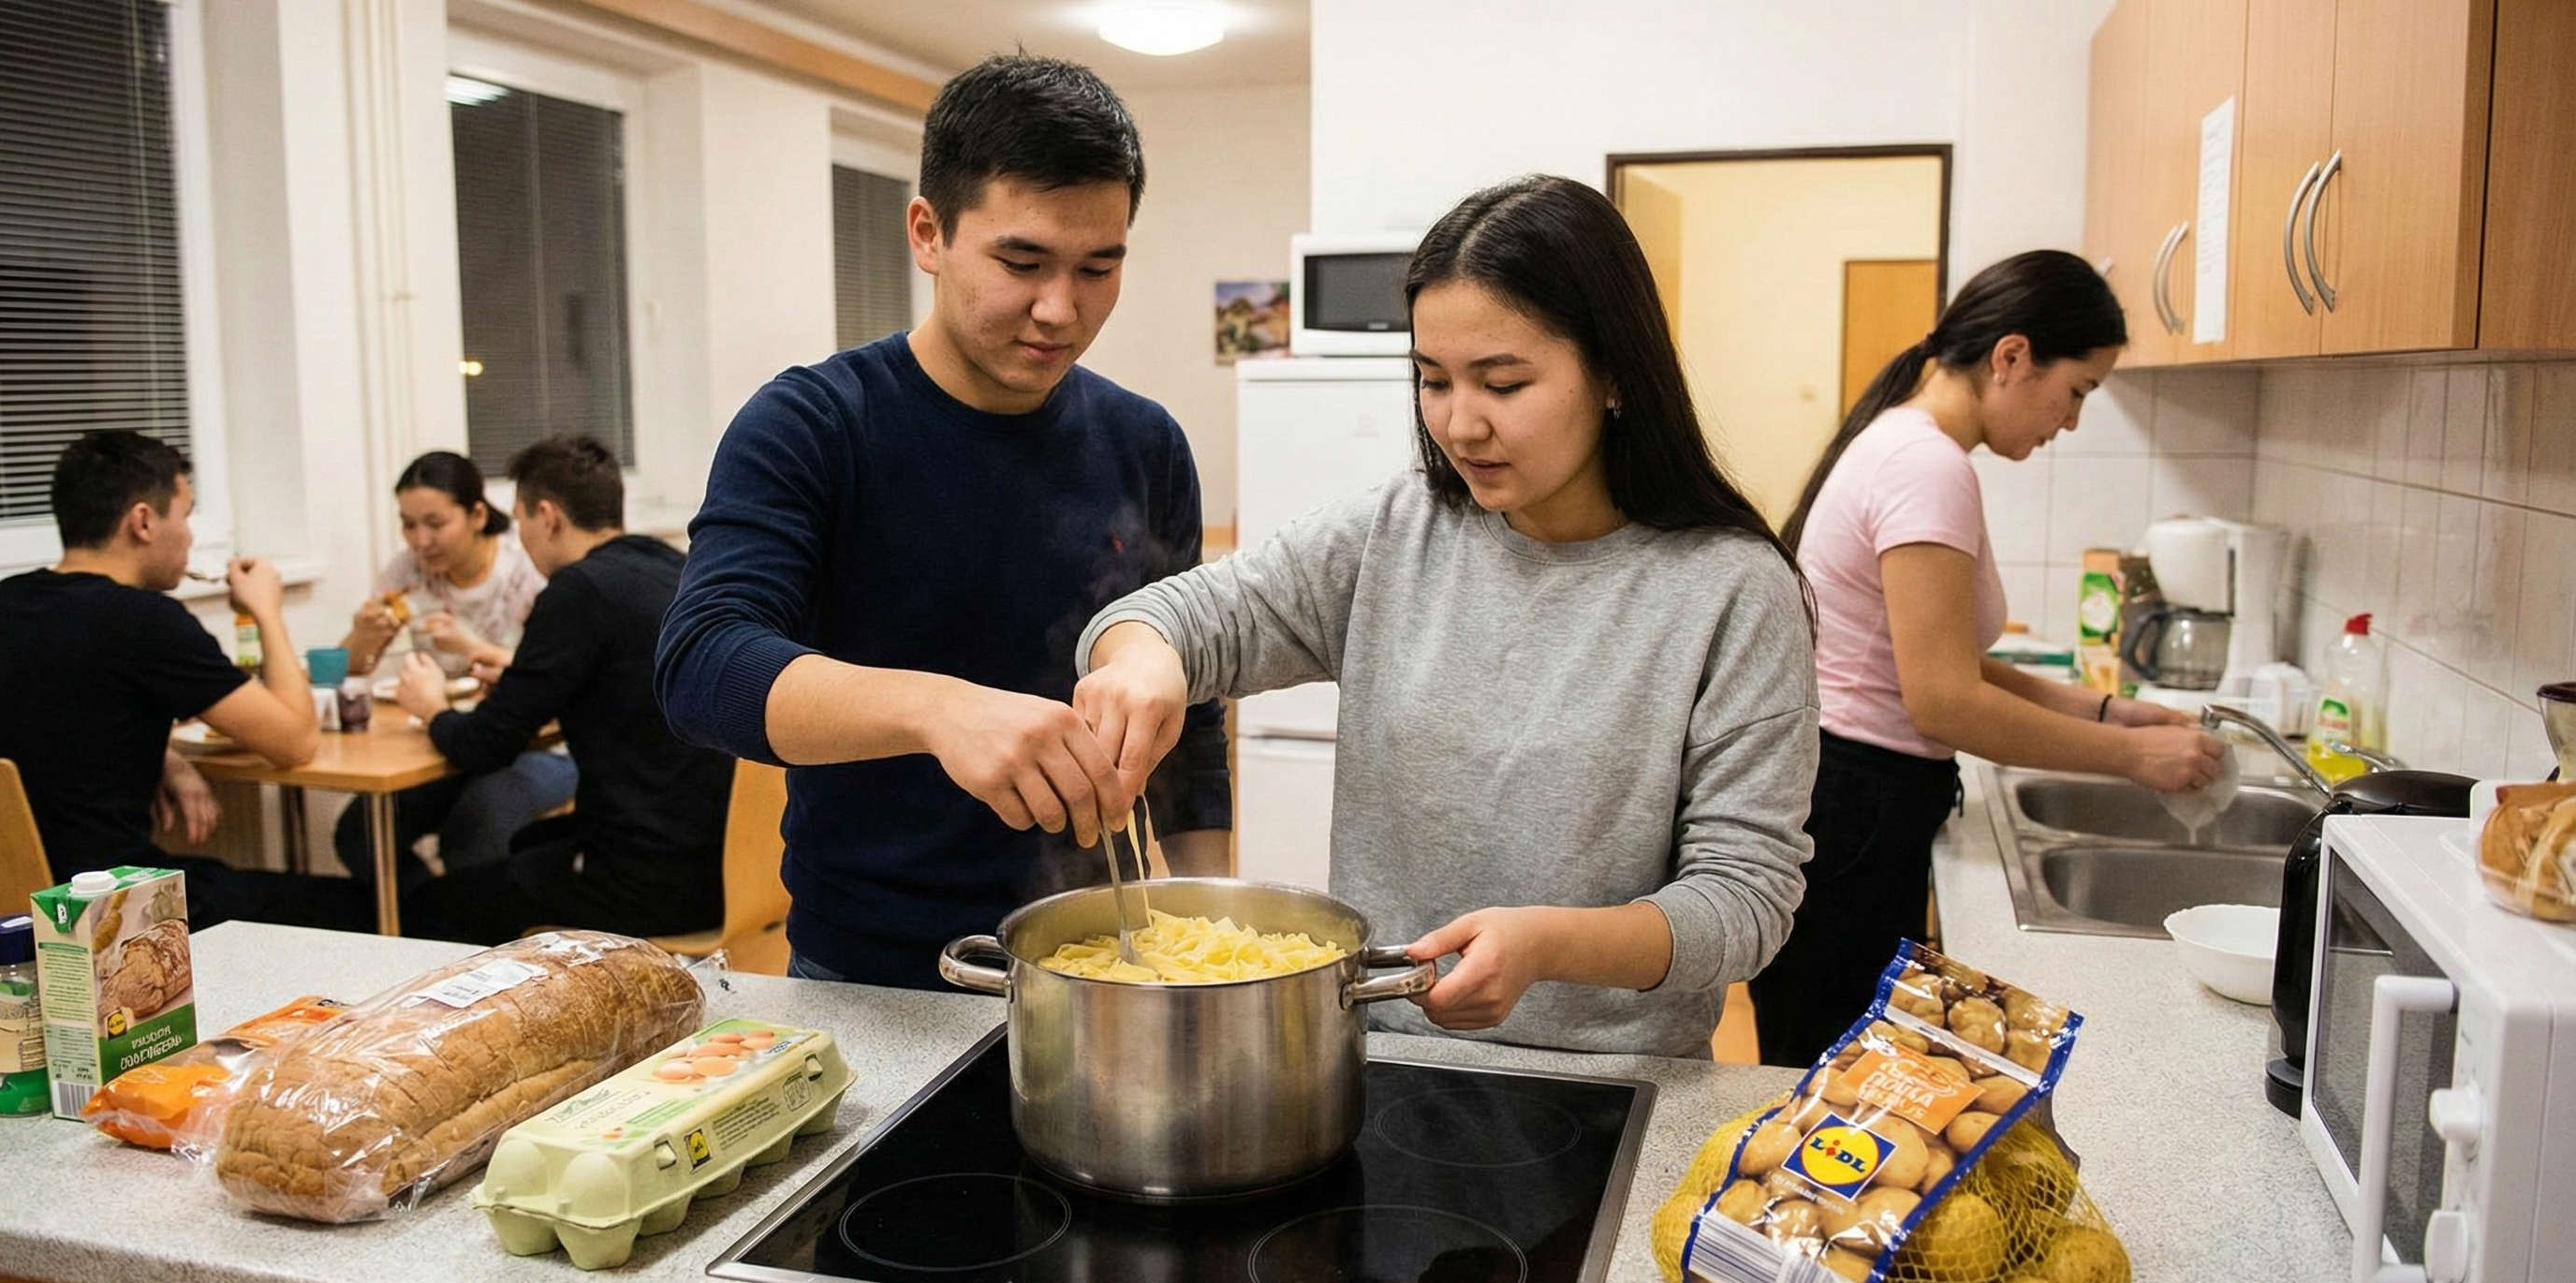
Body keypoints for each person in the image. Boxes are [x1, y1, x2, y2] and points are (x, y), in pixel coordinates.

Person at [1070, 174, 1817, 1058]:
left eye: (1503, 383)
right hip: (1374, 1059)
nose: (1460, 425)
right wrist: (1145, 662)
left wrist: (1547, 948)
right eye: (1433, 380)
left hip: (1614, 1087)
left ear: (1615, 375)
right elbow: (1182, 615)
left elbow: (1745, 901)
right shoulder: (1400, 530)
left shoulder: (1731, 590)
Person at [655, 53, 1229, 990]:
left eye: (1098, 267)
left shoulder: (1145, 441)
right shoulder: (814, 423)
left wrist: (1214, 940)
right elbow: (702, 664)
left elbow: (1192, 715)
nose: (1061, 309)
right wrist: (938, 710)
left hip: (1098, 964)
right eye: (1021, 262)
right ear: (927, 231)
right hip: (870, 973)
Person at [1745, 250, 2229, 1067]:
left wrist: (2106, 711)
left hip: (1847, 799)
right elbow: (1945, 702)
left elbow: (1937, 661)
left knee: (1829, 1076)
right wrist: (2138, 756)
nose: (2070, 421)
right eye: (2076, 391)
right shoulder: (1925, 465)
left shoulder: (1908, 445)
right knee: (1819, 1090)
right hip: (1856, 809)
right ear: (2011, 357)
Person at [0, 432, 371, 931]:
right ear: (143, 521)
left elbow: (62, 722)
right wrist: (265, 610)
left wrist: (165, 756)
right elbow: (296, 743)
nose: (190, 536)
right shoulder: (145, 621)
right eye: (186, 516)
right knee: (367, 904)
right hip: (110, 914)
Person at [399, 437, 732, 945]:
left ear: (549, 516)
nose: (520, 537)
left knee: (428, 907)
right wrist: (519, 669)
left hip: (642, 883)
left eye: (520, 518)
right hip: (723, 867)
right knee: (529, 841)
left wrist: (431, 708)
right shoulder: (674, 569)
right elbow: (619, 677)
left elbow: (484, 745)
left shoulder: (578, 591)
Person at [331, 450, 575, 887]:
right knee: (361, 832)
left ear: (477, 514)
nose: (420, 540)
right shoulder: (407, 573)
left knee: (475, 827)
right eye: (408, 524)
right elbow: (347, 673)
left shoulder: (524, 570)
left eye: (435, 523)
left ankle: (472, 935)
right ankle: (425, 919)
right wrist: (363, 633)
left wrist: (473, 647)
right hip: (447, 740)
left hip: (540, 745)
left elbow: (561, 679)